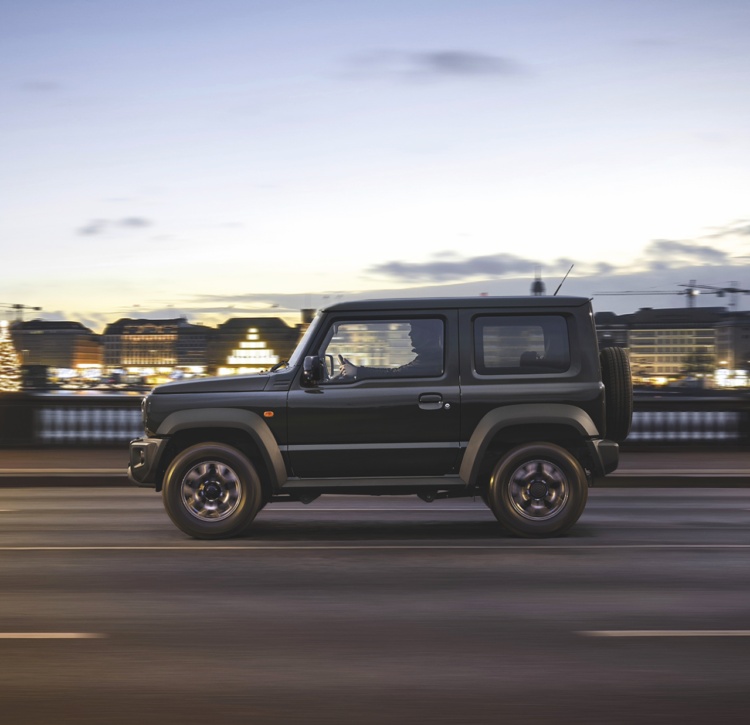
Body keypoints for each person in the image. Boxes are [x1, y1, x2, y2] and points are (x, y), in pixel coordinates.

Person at [337, 319, 443, 380]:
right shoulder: (432, 357)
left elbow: (396, 374)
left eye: (414, 330)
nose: (410, 334)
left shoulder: (431, 360)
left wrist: (357, 371)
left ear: (427, 335)